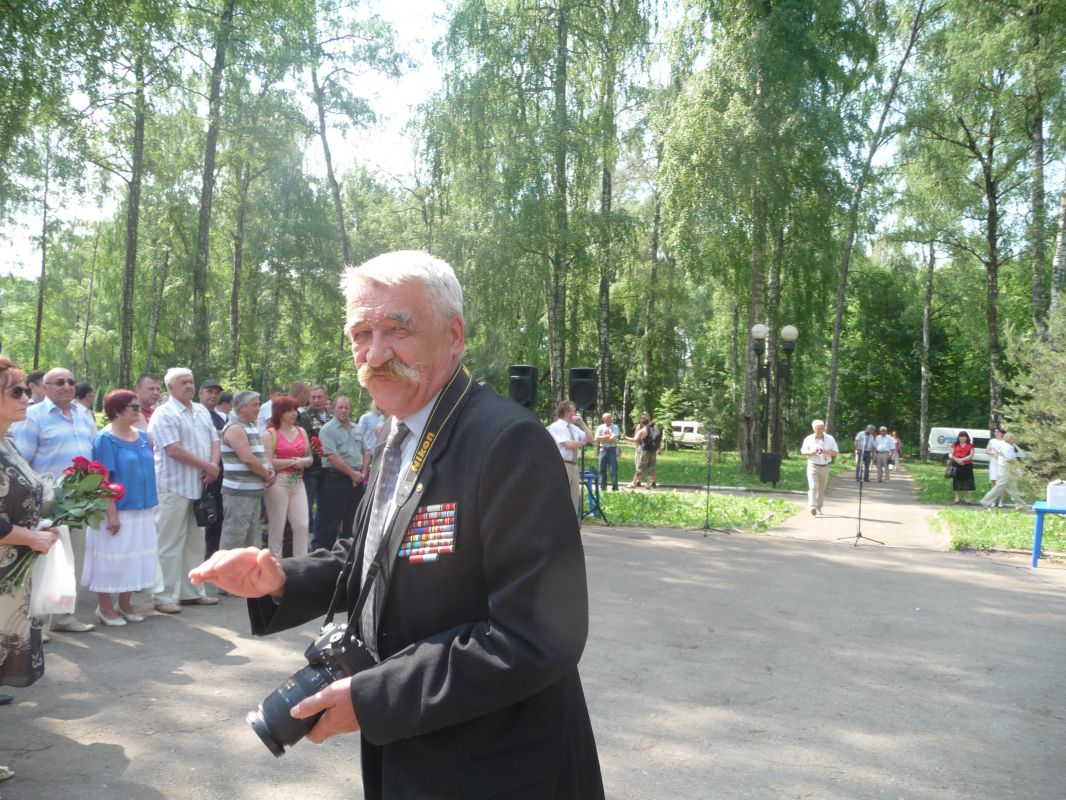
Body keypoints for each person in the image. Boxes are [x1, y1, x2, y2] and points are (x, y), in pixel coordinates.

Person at [190, 250, 604, 800]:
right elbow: (369, 552)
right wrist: (281, 578)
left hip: (495, 766)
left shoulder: (508, 442)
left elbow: (538, 637)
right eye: (361, 333)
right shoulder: (397, 429)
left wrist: (374, 698)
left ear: (453, 336)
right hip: (412, 752)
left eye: (397, 330)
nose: (376, 353)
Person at [11, 366, 98, 633]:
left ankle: (63, 617)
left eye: (71, 381)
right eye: (59, 382)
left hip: (80, 501)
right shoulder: (33, 415)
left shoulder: (83, 414)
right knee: (42, 562)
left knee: (73, 560)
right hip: (46, 502)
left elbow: (93, 453)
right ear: (45, 387)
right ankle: (35, 622)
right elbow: (21, 460)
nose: (67, 386)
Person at [0, 358, 60, 706]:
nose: (26, 398)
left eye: (25, 390)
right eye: (16, 392)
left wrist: (43, 522)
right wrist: (31, 537)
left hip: (11, 571)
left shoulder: (6, 441)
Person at [146, 368, 221, 614]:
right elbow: (173, 449)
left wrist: (213, 466)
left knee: (195, 541)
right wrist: (207, 466)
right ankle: (164, 596)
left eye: (191, 382)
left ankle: (192, 592)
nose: (189, 386)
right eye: (183, 382)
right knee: (168, 542)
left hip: (198, 486)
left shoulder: (200, 410)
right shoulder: (164, 413)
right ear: (170, 387)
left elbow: (214, 440)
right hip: (172, 486)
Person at [83, 389, 158, 626]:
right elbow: (103, 479)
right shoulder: (105, 439)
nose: (139, 411)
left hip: (143, 508)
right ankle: (104, 607)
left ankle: (125, 604)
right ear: (117, 412)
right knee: (111, 560)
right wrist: (111, 514)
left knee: (135, 559)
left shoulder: (143, 437)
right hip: (118, 509)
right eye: (134, 407)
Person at [219, 391, 273, 557]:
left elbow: (258, 455)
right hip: (238, 493)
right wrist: (266, 475)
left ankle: (248, 573)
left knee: (252, 542)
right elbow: (247, 459)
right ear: (242, 407)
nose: (258, 408)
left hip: (252, 491)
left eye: (258, 404)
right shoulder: (235, 428)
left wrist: (268, 468)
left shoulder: (251, 426)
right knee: (234, 541)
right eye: (254, 405)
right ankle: (225, 573)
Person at [313, 394, 367, 549]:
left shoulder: (357, 428)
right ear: (333, 409)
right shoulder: (327, 429)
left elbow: (366, 451)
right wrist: (353, 474)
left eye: (346, 407)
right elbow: (332, 457)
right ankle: (322, 556)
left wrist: (362, 473)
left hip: (357, 480)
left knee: (353, 522)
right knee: (329, 522)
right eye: (340, 407)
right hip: (335, 479)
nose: (343, 410)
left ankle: (347, 557)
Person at [262, 397, 312, 560]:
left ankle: (301, 563)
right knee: (277, 526)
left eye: (295, 410)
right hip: (278, 482)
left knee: (302, 525)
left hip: (298, 481)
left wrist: (302, 462)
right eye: (289, 410)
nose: (294, 414)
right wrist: (295, 462)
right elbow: (270, 463)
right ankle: (275, 564)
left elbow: (310, 459)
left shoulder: (301, 431)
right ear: (279, 412)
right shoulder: (270, 434)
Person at [296, 384, 332, 538]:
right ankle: (305, 539)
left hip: (329, 469)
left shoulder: (332, 416)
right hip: (311, 470)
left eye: (319, 397)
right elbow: (305, 444)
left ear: (326, 398)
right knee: (306, 506)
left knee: (326, 507)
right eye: (313, 397)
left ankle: (320, 541)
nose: (316, 400)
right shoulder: (303, 417)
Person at [547, 400, 591, 516]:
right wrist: (581, 443)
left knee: (574, 497)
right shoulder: (556, 427)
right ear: (567, 413)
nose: (576, 414)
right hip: (562, 465)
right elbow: (569, 444)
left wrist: (582, 424)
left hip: (574, 465)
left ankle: (573, 522)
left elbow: (590, 439)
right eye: (574, 411)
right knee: (561, 496)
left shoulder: (573, 428)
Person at [199, 379, 227, 559]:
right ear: (200, 393)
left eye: (217, 393)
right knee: (199, 516)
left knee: (216, 516)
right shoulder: (195, 413)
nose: (213, 396)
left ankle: (212, 556)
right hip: (199, 471)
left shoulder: (222, 417)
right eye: (209, 392)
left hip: (220, 472)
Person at [800, 419, 838, 516]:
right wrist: (811, 452)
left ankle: (819, 508)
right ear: (813, 429)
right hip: (812, 465)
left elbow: (836, 452)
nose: (821, 430)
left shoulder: (830, 438)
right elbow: (803, 452)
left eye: (822, 428)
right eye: (818, 429)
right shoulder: (808, 439)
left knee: (822, 489)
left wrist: (827, 451)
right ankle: (812, 507)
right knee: (813, 486)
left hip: (825, 466)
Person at [979, 431, 1026, 511]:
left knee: (1012, 487)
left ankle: (1020, 504)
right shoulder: (1007, 447)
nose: (1015, 440)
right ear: (1009, 439)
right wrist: (1018, 465)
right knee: (999, 487)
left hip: (1007, 469)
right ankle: (985, 501)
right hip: (1005, 469)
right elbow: (1009, 460)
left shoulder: (1008, 446)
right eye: (1013, 439)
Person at [631, 411, 664, 488]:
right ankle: (640, 481)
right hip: (641, 447)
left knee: (644, 466)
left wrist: (658, 448)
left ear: (649, 417)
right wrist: (636, 448)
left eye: (645, 416)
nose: (643, 418)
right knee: (641, 464)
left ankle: (649, 482)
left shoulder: (654, 426)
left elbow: (657, 438)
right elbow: (637, 438)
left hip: (648, 448)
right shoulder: (639, 426)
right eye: (642, 416)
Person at [594, 412, 620, 492]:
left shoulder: (615, 427)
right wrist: (606, 437)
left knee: (613, 469)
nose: (610, 419)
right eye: (608, 418)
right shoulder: (600, 427)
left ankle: (615, 487)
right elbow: (596, 439)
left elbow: (614, 439)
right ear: (603, 419)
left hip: (612, 449)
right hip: (603, 449)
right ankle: (603, 487)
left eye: (610, 417)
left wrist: (602, 438)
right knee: (602, 469)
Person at [949, 430, 976, 505]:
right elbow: (950, 454)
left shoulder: (970, 445)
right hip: (956, 465)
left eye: (964, 436)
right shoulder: (955, 444)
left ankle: (966, 497)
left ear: (967, 437)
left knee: (966, 481)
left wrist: (962, 460)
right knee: (957, 480)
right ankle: (957, 497)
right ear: (958, 437)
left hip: (967, 465)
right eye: (961, 436)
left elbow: (971, 455)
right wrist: (957, 460)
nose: (962, 438)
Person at [986, 427, 1005, 507]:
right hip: (993, 462)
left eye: (998, 432)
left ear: (1002, 433)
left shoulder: (1005, 441)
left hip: (1002, 463)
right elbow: (987, 451)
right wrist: (994, 454)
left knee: (1001, 482)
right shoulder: (992, 441)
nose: (996, 433)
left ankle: (1001, 501)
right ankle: (994, 500)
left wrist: (1000, 456)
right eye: (995, 432)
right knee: (994, 482)